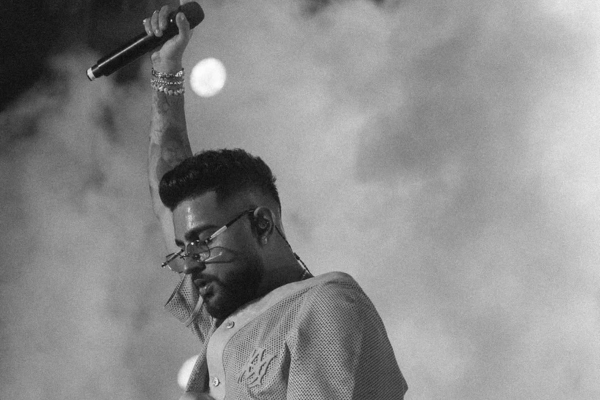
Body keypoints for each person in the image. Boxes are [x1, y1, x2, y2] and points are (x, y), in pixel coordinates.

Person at [144, 2, 408, 399]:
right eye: (185, 250)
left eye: (203, 241)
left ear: (262, 224)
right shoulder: (229, 312)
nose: (192, 263)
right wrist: (166, 70)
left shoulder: (324, 304)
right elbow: (168, 191)